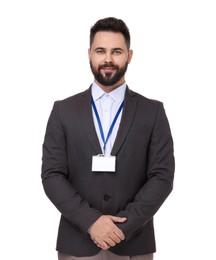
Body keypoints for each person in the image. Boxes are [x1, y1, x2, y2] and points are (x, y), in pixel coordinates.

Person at [41, 17, 175, 260]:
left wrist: (120, 229)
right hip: (76, 246)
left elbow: (162, 177)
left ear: (130, 55)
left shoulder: (153, 111)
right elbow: (52, 176)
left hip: (134, 245)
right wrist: (92, 222)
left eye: (117, 51)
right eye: (101, 51)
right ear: (89, 54)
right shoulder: (63, 110)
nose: (108, 59)